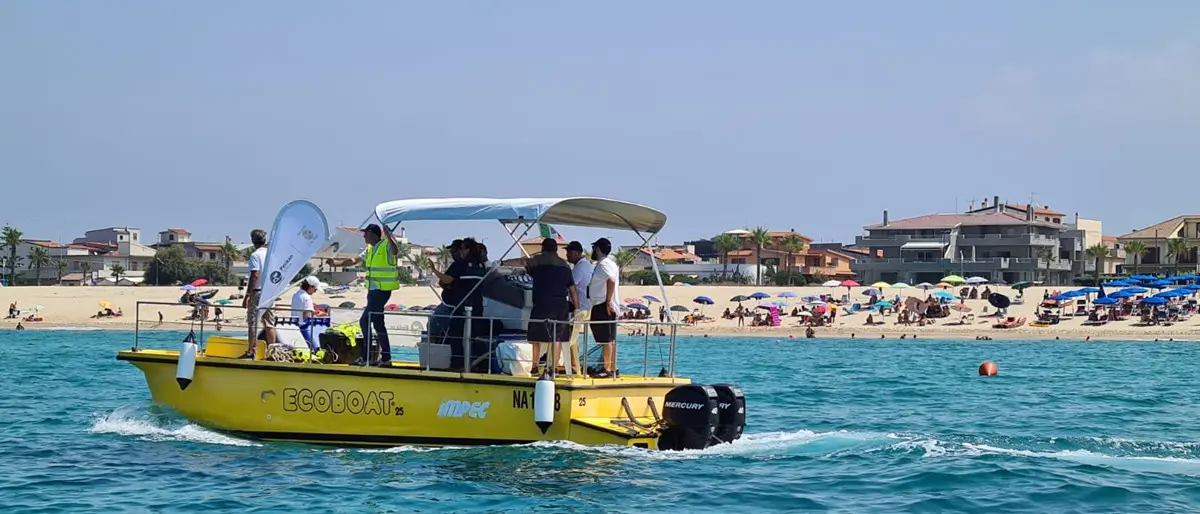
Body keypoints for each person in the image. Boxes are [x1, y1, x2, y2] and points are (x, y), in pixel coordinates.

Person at [525, 238, 578, 375]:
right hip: (560, 305)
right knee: (558, 337)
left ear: (543, 248)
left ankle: (534, 366)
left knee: (536, 337)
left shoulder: (537, 261)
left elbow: (521, 262)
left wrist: (501, 262)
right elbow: (572, 289)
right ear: (556, 249)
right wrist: (577, 308)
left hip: (541, 303)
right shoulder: (565, 266)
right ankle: (553, 367)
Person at [355, 223, 399, 365]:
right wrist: (336, 264)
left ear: (373, 234)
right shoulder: (369, 249)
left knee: (365, 321)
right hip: (372, 291)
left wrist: (389, 236)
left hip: (382, 291)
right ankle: (386, 358)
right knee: (378, 323)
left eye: (365, 233)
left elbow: (395, 251)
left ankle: (366, 358)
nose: (363, 236)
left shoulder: (385, 245)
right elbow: (354, 260)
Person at [587, 237, 620, 378]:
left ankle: (607, 369)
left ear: (598, 249)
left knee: (606, 340)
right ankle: (612, 367)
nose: (593, 250)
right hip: (605, 305)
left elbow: (611, 280)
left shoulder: (603, 265)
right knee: (610, 339)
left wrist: (607, 301)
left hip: (603, 305)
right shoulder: (611, 263)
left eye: (594, 247)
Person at [242, 229, 276, 357]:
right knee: (269, 323)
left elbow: (255, 275)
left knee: (252, 322)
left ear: (253, 241)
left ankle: (251, 350)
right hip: (269, 291)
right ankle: (273, 352)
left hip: (257, 292)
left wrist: (247, 295)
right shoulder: (271, 254)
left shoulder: (255, 255)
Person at [427, 239, 466, 342]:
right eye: (451, 252)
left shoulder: (458, 265)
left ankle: (433, 351)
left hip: (450, 305)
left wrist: (434, 270)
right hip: (453, 303)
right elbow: (443, 282)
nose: (452, 254)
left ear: (460, 251)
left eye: (453, 251)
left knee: (432, 326)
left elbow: (447, 279)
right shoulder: (464, 265)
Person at [564, 241, 593, 375]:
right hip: (587, 307)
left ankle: (574, 366)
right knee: (573, 337)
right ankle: (574, 364)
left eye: (569, 252)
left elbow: (570, 286)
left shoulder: (578, 269)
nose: (567, 255)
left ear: (577, 253)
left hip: (579, 308)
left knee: (570, 337)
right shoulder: (588, 265)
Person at [291, 276, 320, 351]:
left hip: (295, 325)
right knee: (316, 349)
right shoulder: (306, 297)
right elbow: (306, 316)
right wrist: (316, 315)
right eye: (315, 289)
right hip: (304, 327)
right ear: (310, 287)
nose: (315, 291)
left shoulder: (296, 295)